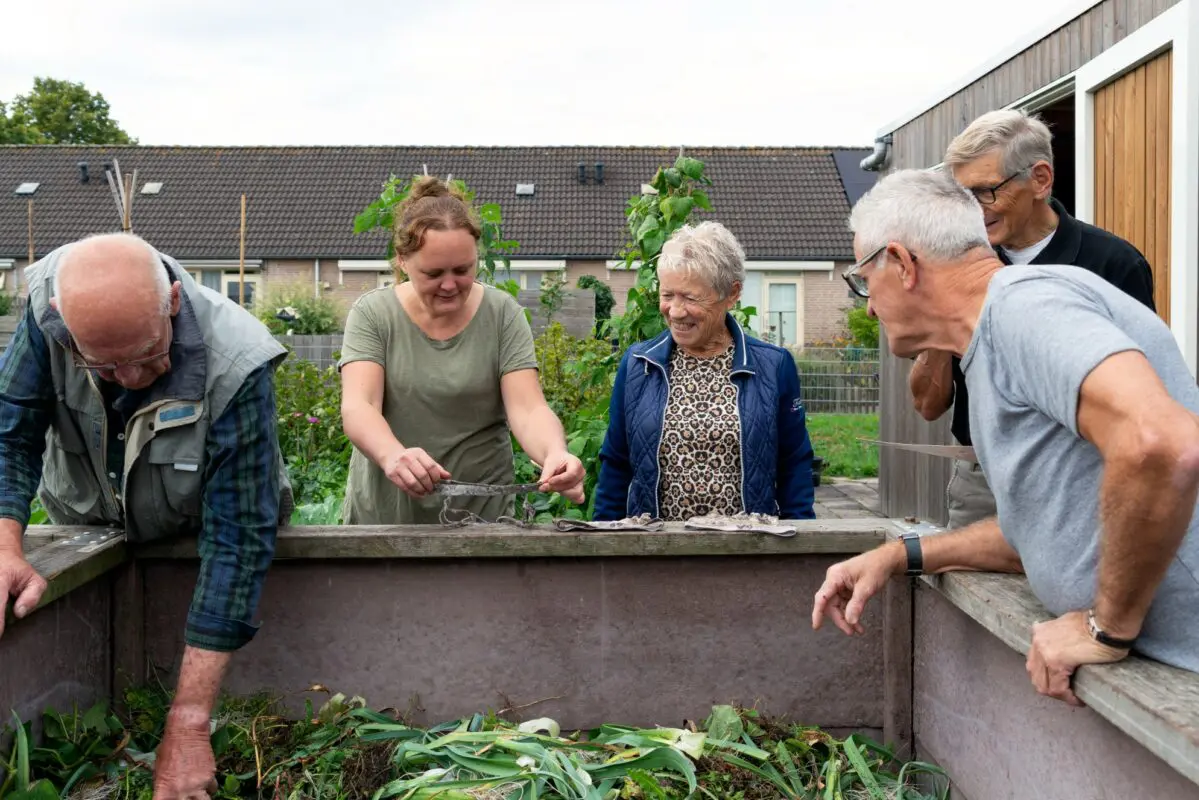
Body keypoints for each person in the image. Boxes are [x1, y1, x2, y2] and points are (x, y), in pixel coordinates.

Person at [813, 168, 1199, 705]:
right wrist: (899, 555)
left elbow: (1164, 443)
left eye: (862, 279)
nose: (868, 305)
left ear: (901, 264)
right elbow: (1040, 534)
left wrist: (1104, 629)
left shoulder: (1023, 309)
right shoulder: (989, 344)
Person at [0, 233, 293, 798]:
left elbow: (237, 539)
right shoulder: (47, 313)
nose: (131, 379)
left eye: (146, 357)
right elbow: (10, 435)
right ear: (62, 323)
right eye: (105, 368)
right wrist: (7, 549)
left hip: (194, 520)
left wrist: (187, 724)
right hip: (88, 519)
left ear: (175, 303)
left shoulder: (239, 361)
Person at [907, 109, 1156, 528]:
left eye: (985, 191)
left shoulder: (1113, 265)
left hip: (1079, 484)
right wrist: (943, 305)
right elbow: (928, 405)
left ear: (1040, 180)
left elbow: (1142, 405)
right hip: (980, 485)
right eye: (961, 196)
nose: (972, 210)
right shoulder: (956, 264)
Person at [338, 177, 585, 523]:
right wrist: (393, 455)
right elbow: (359, 406)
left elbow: (529, 410)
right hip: (385, 519)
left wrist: (555, 453)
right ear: (402, 262)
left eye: (463, 270)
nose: (450, 284)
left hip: (481, 520)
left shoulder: (502, 314)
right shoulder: (373, 314)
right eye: (434, 273)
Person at [594, 221, 816, 521]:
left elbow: (794, 464)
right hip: (654, 553)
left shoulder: (773, 366)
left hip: (748, 553)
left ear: (732, 293)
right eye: (667, 295)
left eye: (689, 297)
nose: (675, 311)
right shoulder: (638, 365)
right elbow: (616, 465)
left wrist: (800, 547)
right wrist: (606, 547)